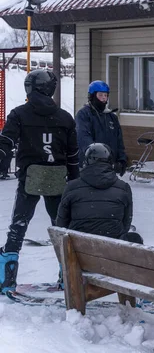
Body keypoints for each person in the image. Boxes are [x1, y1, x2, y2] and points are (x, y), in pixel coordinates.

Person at [0, 69, 80, 293]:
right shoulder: (65, 117)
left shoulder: (19, 114)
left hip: (30, 178)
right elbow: (73, 154)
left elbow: (5, 142)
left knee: (18, 227)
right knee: (61, 228)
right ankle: (67, 277)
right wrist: (76, 180)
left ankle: (7, 279)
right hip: (58, 178)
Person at [56, 143, 141, 244]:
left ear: (86, 161)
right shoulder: (123, 188)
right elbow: (126, 221)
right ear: (110, 162)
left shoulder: (71, 187)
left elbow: (61, 223)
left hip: (78, 245)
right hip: (113, 245)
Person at [75, 81, 127, 176]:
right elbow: (83, 137)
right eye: (100, 95)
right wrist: (96, 156)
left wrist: (122, 159)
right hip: (89, 166)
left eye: (106, 95)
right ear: (92, 96)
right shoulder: (84, 115)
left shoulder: (111, 117)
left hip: (109, 167)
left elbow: (119, 141)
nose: (103, 98)